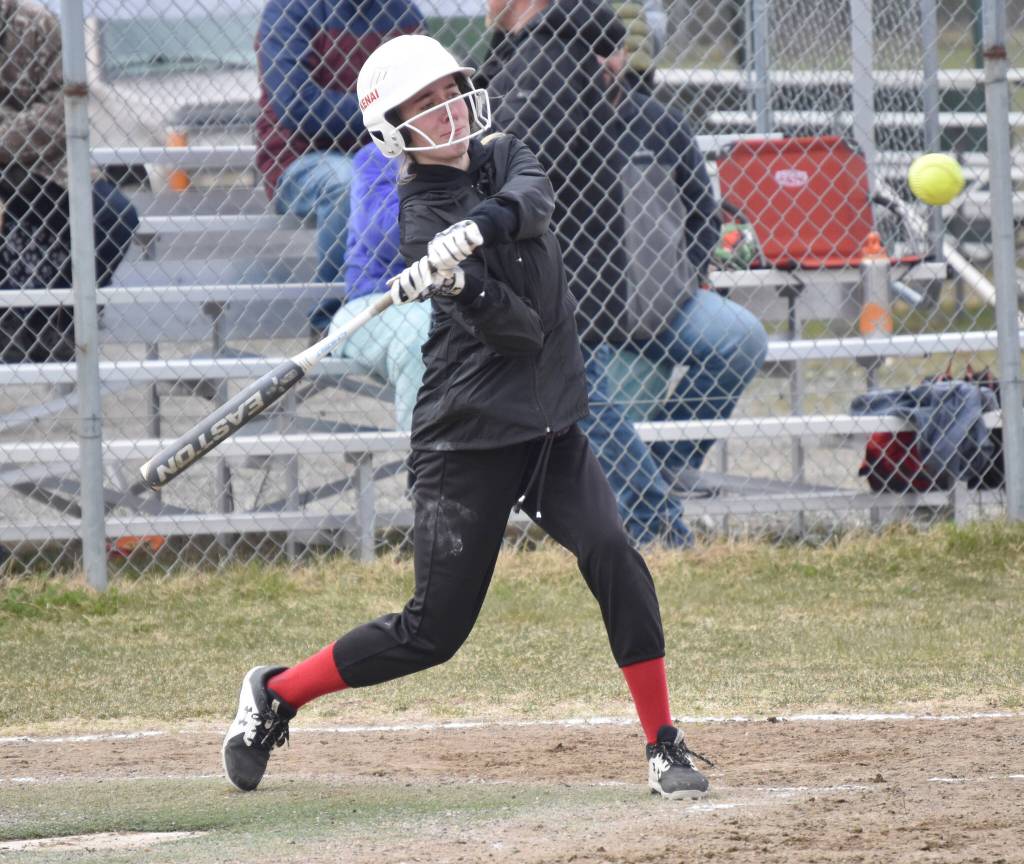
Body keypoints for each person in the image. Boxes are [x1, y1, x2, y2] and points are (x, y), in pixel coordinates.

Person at [222, 33, 712, 802]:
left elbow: (533, 200)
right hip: (468, 435)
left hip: (550, 427)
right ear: (393, 129)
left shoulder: (506, 153)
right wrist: (459, 287)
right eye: (421, 105)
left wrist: (478, 229)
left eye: (448, 92)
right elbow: (517, 330)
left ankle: (662, 742)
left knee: (613, 552)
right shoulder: (419, 222)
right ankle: (278, 692)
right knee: (431, 634)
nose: (445, 112)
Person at [480, 0, 768, 546]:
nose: (604, 64)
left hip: (664, 304)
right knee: (580, 382)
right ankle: (647, 509)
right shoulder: (541, 106)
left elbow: (703, 217)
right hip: (578, 304)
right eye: (595, 53)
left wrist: (683, 281)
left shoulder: (660, 123)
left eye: (614, 53)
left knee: (741, 339)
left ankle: (663, 465)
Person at [0, 0, 138, 363]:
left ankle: (55, 324)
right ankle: (14, 323)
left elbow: (63, 114)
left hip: (44, 167)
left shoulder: (35, 26)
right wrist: (23, 124)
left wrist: (5, 136)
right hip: (29, 156)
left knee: (115, 216)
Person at [254, 0, 425, 286]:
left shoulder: (402, 11)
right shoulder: (290, 8)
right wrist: (389, 113)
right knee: (347, 181)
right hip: (300, 158)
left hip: (388, 153)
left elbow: (423, 92)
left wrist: (401, 112)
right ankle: (334, 314)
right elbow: (298, 106)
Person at [324, 141, 428, 431]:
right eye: (428, 105)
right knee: (425, 336)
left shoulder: (482, 155)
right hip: (378, 301)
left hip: (456, 293)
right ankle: (429, 460)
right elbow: (387, 235)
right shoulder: (378, 156)